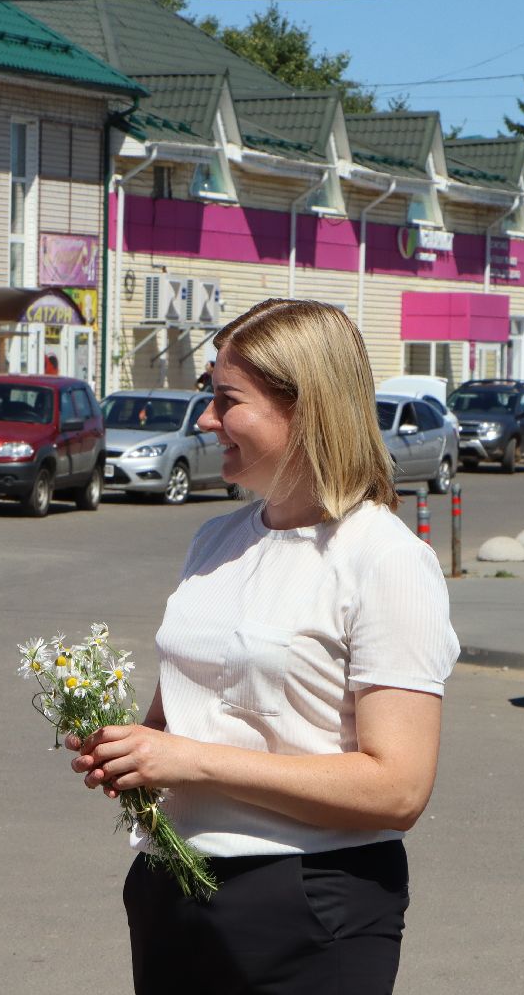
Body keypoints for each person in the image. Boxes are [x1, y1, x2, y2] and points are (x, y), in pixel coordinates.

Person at [69, 298, 459, 995]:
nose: (207, 420)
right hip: (173, 886)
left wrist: (189, 759)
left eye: (227, 400)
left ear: (305, 408)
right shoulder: (215, 540)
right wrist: (132, 750)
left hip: (306, 901)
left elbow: (398, 787)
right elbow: (179, 722)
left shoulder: (382, 558)